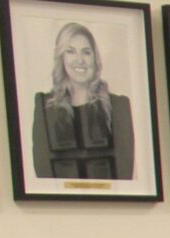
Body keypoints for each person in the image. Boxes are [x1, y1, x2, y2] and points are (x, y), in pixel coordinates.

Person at [32, 21, 133, 180]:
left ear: (95, 58)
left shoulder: (118, 106)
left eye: (86, 52)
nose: (80, 60)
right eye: (70, 51)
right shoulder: (44, 107)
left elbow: (125, 173)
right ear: (61, 58)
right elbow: (43, 171)